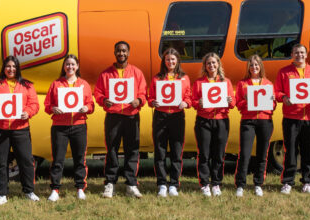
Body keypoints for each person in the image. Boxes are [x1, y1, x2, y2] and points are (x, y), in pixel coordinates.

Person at [0, 55, 40, 205]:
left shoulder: (27, 85)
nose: (11, 69)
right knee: (1, 161)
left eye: (14, 67)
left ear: (18, 68)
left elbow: (34, 103)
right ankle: (1, 194)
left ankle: (29, 191)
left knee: (26, 160)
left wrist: (28, 112)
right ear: (4, 68)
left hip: (21, 128)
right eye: (8, 66)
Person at [93, 41, 148, 198]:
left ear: (128, 53)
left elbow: (144, 93)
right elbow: (97, 93)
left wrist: (139, 101)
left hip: (131, 117)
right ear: (114, 52)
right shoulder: (106, 74)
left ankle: (131, 184)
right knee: (111, 150)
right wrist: (103, 100)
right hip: (113, 117)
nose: (121, 53)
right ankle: (110, 183)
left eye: (124, 51)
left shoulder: (136, 73)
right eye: (118, 51)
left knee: (132, 150)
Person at [275, 44, 310, 195]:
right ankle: (288, 182)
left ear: (306, 54)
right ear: (292, 54)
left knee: (309, 151)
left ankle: (307, 182)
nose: (299, 55)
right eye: (296, 52)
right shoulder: (284, 72)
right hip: (291, 117)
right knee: (290, 151)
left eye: (302, 52)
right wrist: (283, 97)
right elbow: (277, 91)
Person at [43, 55, 94, 201]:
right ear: (64, 67)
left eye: (73, 64)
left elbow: (91, 105)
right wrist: (53, 108)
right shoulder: (56, 84)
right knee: (57, 159)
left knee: (80, 158)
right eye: (67, 64)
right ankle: (55, 190)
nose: (70, 67)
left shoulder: (84, 84)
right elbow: (47, 105)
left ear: (77, 66)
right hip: (60, 127)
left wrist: (87, 108)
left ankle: (80, 188)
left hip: (79, 125)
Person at [148, 48, 191, 197]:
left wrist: (186, 103)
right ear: (164, 61)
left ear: (178, 60)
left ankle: (173, 184)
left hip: (177, 118)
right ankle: (161, 184)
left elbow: (188, 97)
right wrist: (152, 102)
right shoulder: (157, 78)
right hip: (160, 117)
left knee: (176, 152)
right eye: (167, 59)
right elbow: (150, 98)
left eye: (173, 59)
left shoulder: (184, 78)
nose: (170, 62)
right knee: (159, 152)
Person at [191, 52, 234, 197]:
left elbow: (232, 103)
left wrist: (229, 100)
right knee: (204, 154)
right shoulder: (198, 83)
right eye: (208, 63)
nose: (211, 65)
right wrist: (199, 103)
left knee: (219, 154)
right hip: (204, 121)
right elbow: (193, 102)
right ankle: (204, 184)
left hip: (221, 120)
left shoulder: (226, 82)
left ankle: (216, 183)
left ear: (218, 64)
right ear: (205, 66)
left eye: (214, 63)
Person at [234, 55, 276, 197]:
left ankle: (258, 184)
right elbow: (237, 105)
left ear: (261, 67)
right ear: (248, 68)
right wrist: (246, 101)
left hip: (265, 121)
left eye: (256, 65)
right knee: (245, 154)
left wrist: (272, 102)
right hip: (248, 121)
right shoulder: (242, 84)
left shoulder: (268, 84)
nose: (254, 67)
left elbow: (273, 105)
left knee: (262, 154)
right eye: (251, 65)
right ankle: (240, 184)